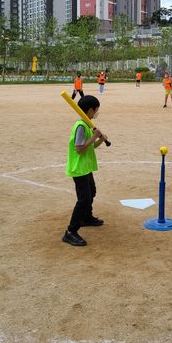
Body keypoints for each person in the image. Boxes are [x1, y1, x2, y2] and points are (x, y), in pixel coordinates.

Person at [63, 95, 108, 246]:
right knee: (84, 199)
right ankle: (70, 231)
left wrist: (99, 140)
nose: (97, 112)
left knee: (92, 192)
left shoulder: (86, 124)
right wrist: (95, 136)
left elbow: (90, 147)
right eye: (96, 110)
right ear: (90, 110)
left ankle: (86, 217)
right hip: (79, 168)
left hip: (85, 167)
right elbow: (80, 148)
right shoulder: (81, 126)